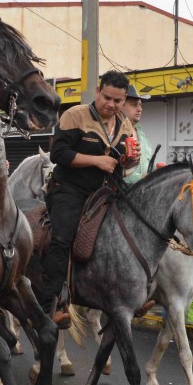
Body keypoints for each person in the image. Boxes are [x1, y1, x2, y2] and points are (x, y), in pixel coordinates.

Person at [36, 69, 137, 328]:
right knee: (62, 239)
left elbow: (125, 165)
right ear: (97, 92)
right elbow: (58, 154)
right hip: (70, 189)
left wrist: (129, 161)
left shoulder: (126, 125)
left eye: (117, 101)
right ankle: (51, 304)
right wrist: (96, 160)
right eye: (107, 98)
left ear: (124, 101)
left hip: (108, 190)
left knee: (138, 227)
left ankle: (137, 291)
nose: (111, 105)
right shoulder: (74, 115)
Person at [122, 84, 152, 186]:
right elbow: (116, 175)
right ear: (121, 105)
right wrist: (144, 178)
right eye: (134, 104)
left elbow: (147, 166)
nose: (140, 109)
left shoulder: (141, 134)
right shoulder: (115, 133)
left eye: (140, 105)